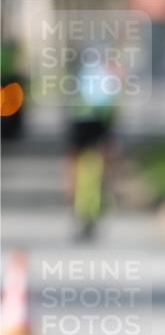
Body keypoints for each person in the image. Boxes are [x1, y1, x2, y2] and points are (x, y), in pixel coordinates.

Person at [66, 45, 122, 241]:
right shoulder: (108, 76)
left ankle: (75, 200)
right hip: (98, 125)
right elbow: (111, 106)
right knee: (104, 162)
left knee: (77, 164)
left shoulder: (83, 74)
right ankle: (104, 196)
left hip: (82, 125)